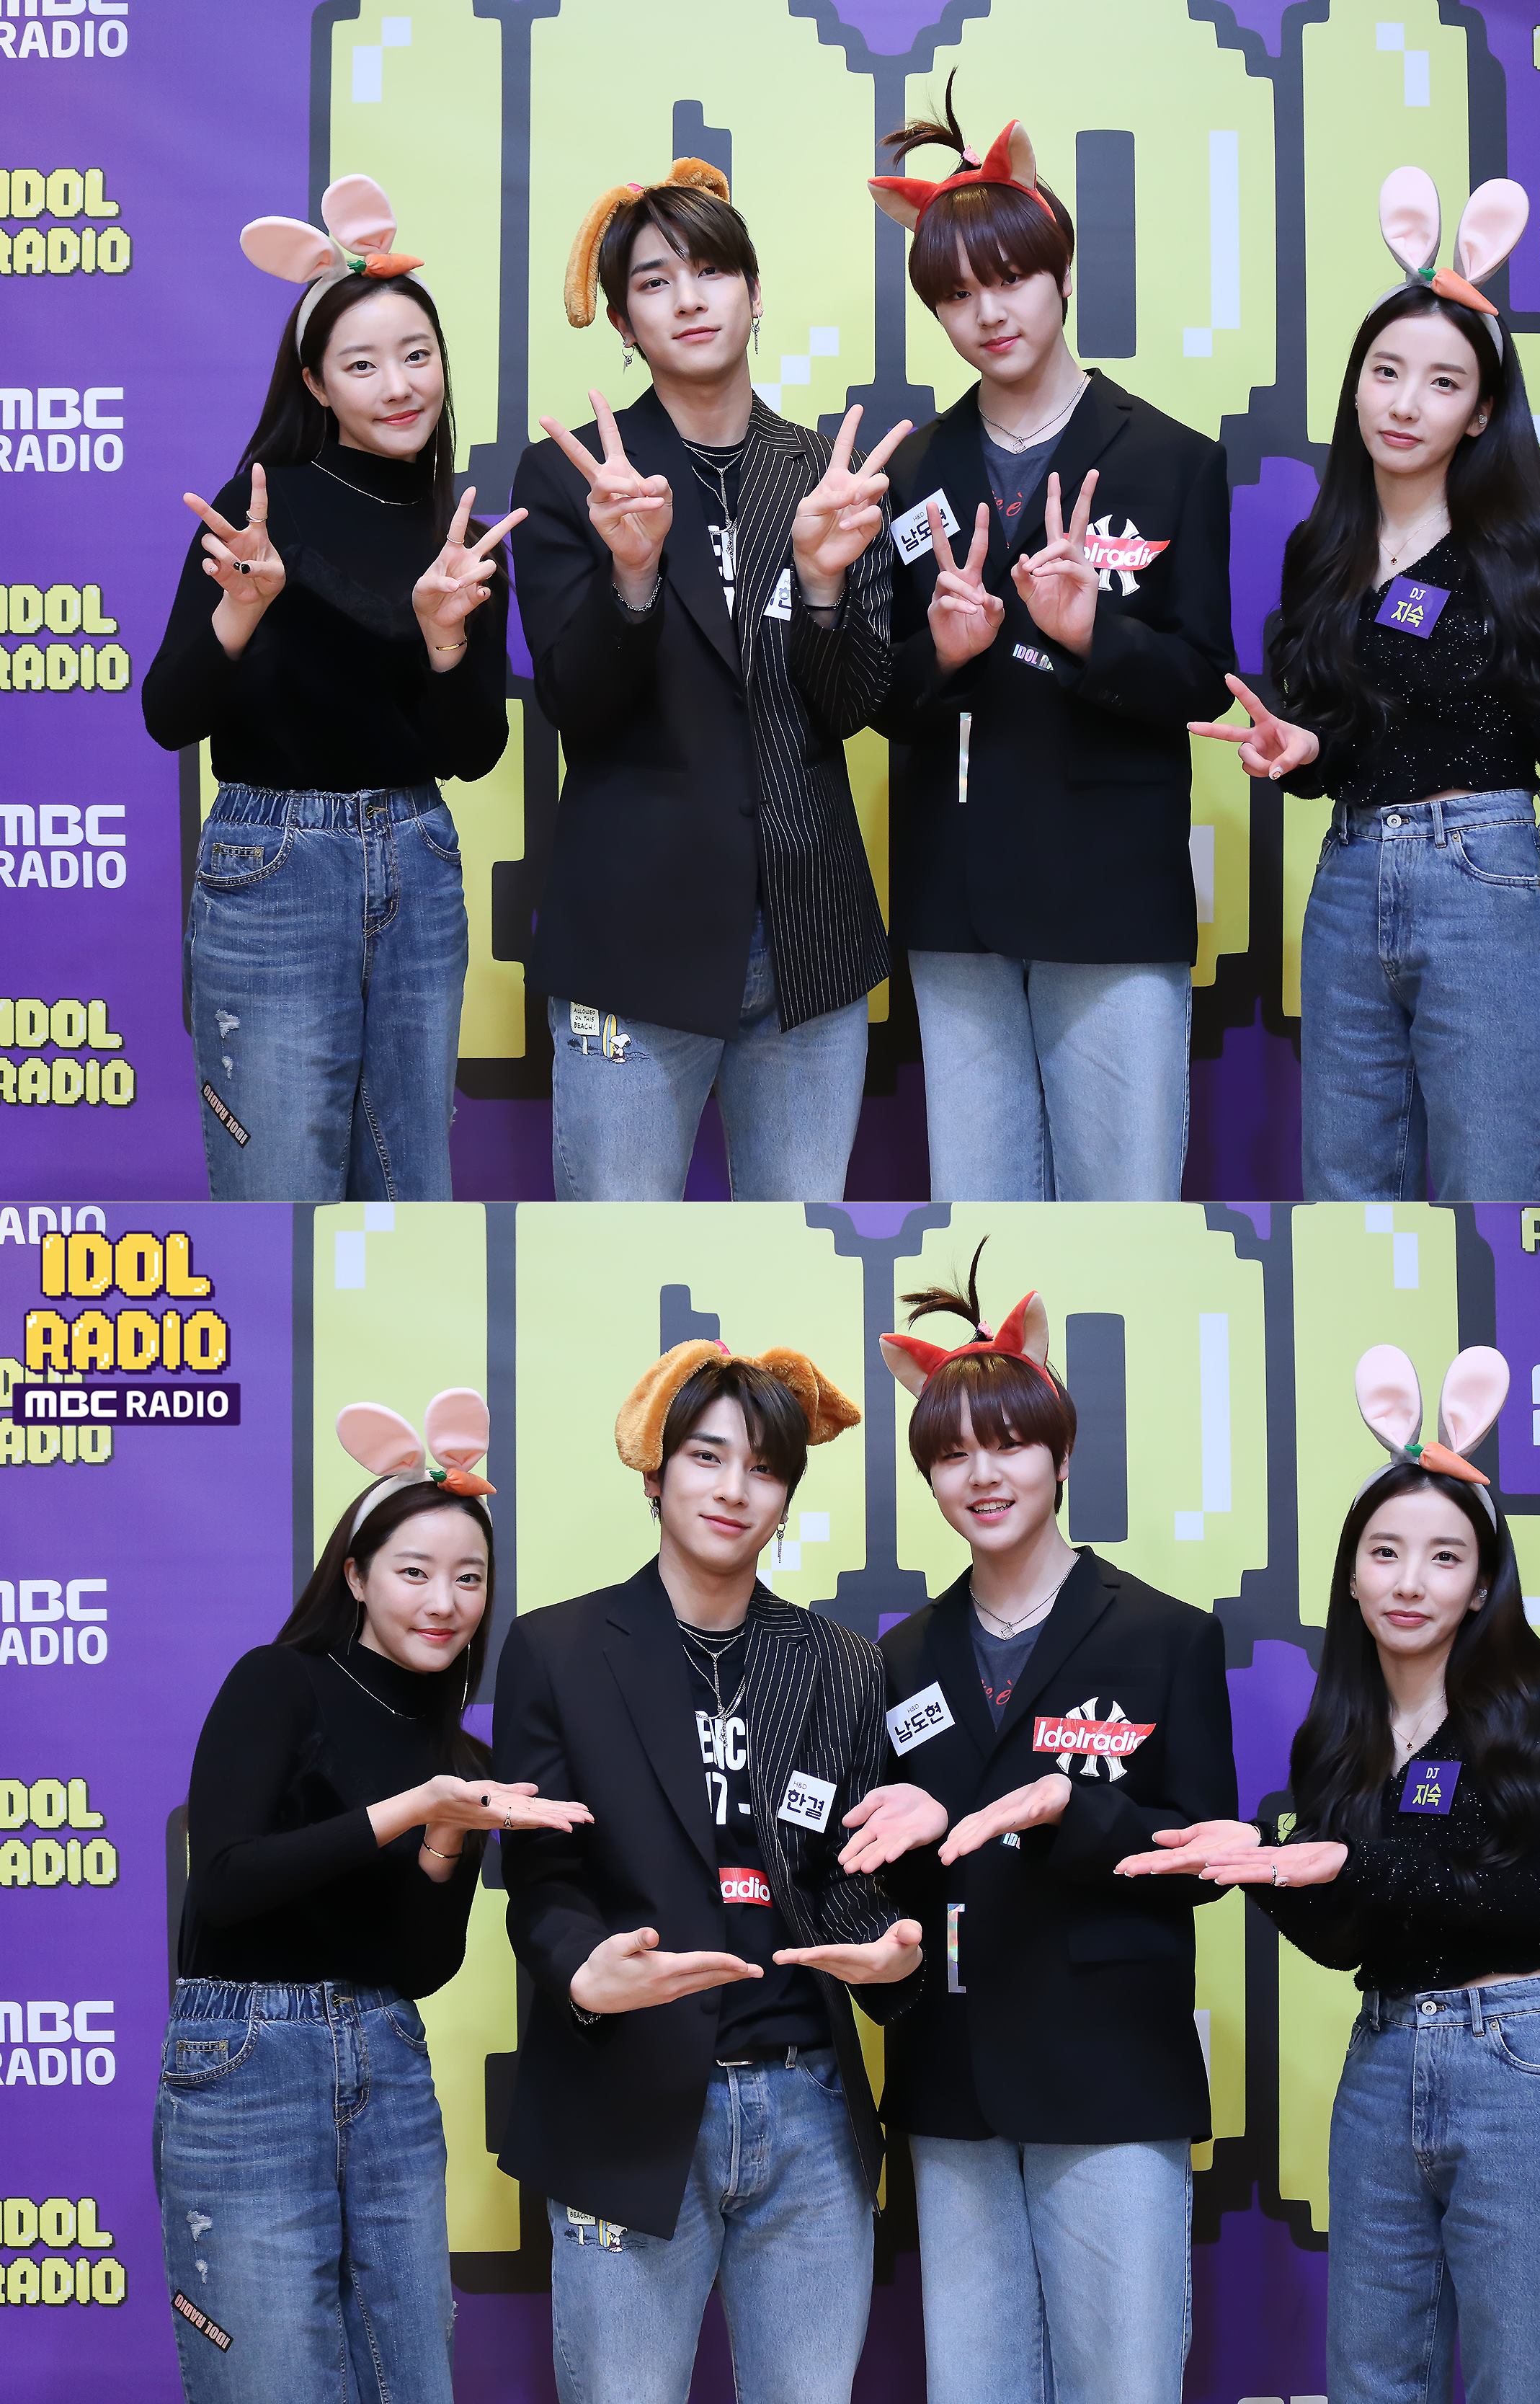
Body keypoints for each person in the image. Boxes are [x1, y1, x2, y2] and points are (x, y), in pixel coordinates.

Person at [1121, 1343, 1540, 2404]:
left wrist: (1357, 1860)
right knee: (1371, 2383)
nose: (1410, 1581)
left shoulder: (1533, 1707)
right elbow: (1348, 1942)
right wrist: (1264, 1872)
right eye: (1386, 1553)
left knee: (1530, 2384)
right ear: (1351, 1575)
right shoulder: (1338, 1735)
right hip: (1383, 2059)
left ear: (1481, 1582)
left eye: (1444, 1558)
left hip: (1516, 2060)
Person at [1195, 167, 1540, 1203]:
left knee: (1497, 1202)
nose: (1404, 403)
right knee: (1347, 1205)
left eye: (1441, 382)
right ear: (1356, 385)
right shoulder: (1320, 548)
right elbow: (1332, 729)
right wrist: (1301, 747)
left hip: (1483, 879)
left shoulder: (1518, 545)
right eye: (1386, 372)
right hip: (1347, 882)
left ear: (1479, 413)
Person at [840, 1248, 1237, 2404]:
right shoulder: (899, 1657)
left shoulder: (1164, 1635)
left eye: (1010, 1444)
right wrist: (905, 1875)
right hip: (952, 2084)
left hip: (1111, 2077)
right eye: (951, 1454)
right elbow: (893, 1873)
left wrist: (1079, 1808)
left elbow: (1206, 1856)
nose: (982, 1475)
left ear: (1060, 1455)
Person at [493, 1339, 924, 2404]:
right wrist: (583, 1971)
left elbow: (844, 1876)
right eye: (707, 1457)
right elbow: (544, 1879)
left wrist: (891, 1950)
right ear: (656, 1472)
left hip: (809, 2105)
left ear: (786, 1498)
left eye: (765, 1469)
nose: (735, 1490)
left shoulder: (840, 1663)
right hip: (627, 2097)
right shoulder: (558, 1649)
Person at [155, 1390, 590, 2403]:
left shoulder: (459, 1758)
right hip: (248, 2062)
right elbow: (225, 1883)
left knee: (412, 2377)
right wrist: (411, 1809)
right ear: (355, 1576)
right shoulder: (279, 1683)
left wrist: (445, 1836)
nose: (445, 1601)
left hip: (387, 2061)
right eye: (414, 1571)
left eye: (469, 1578)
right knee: (272, 2380)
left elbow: (420, 1969)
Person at [510, 159, 910, 1201]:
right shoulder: (574, 476)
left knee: (797, 1256)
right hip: (633, 941)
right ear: (622, 322)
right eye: (654, 281)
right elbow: (576, 705)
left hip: (809, 939)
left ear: (755, 292)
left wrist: (823, 586)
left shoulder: (823, 476)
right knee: (616, 1253)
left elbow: (855, 707)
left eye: (713, 271)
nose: (688, 298)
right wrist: (631, 577)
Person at [868, 87, 1234, 1200]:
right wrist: (943, 652)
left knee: (1125, 1209)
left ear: (1062, 276)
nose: (989, 312)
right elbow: (881, 696)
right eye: (956, 294)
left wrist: (1091, 634)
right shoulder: (911, 469)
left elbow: (1202, 681)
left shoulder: (1172, 459)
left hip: (1111, 896)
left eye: (1012, 278)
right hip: (957, 902)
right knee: (979, 1202)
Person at [143, 175, 521, 1202]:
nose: (399, 385)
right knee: (277, 1197)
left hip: (418, 858)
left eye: (417, 355)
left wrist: (445, 637)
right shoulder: (260, 511)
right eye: (362, 364)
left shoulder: (464, 534)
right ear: (315, 383)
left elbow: (473, 752)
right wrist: (241, 610)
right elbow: (168, 716)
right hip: (273, 864)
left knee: (410, 1198)